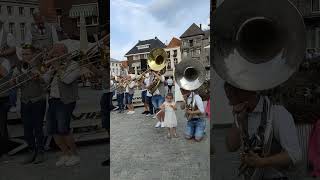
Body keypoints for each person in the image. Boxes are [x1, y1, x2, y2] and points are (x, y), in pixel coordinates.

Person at [224, 82, 302, 180]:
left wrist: (263, 162)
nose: (230, 103)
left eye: (231, 98)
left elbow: (295, 155)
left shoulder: (277, 113)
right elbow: (231, 147)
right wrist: (238, 121)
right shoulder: (242, 114)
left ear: (244, 93)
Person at [43, 43, 81, 167]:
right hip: (53, 100)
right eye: (53, 53)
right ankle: (65, 154)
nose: (54, 55)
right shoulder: (54, 66)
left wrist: (58, 67)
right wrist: (49, 70)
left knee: (63, 128)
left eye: (56, 53)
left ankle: (75, 155)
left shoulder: (74, 65)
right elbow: (45, 80)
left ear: (65, 52)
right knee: (52, 129)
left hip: (65, 101)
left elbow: (67, 79)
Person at [12, 44, 47, 164]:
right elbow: (15, 85)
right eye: (23, 54)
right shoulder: (18, 67)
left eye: (27, 54)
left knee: (38, 128)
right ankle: (32, 151)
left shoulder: (40, 66)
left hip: (38, 100)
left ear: (33, 55)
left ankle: (41, 152)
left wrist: (36, 73)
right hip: (25, 101)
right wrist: (15, 80)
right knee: (27, 129)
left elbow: (44, 82)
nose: (24, 56)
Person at [0, 57, 12, 158]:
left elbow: (6, 75)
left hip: (2, 98)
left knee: (1, 126)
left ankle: (4, 152)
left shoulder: (5, 61)